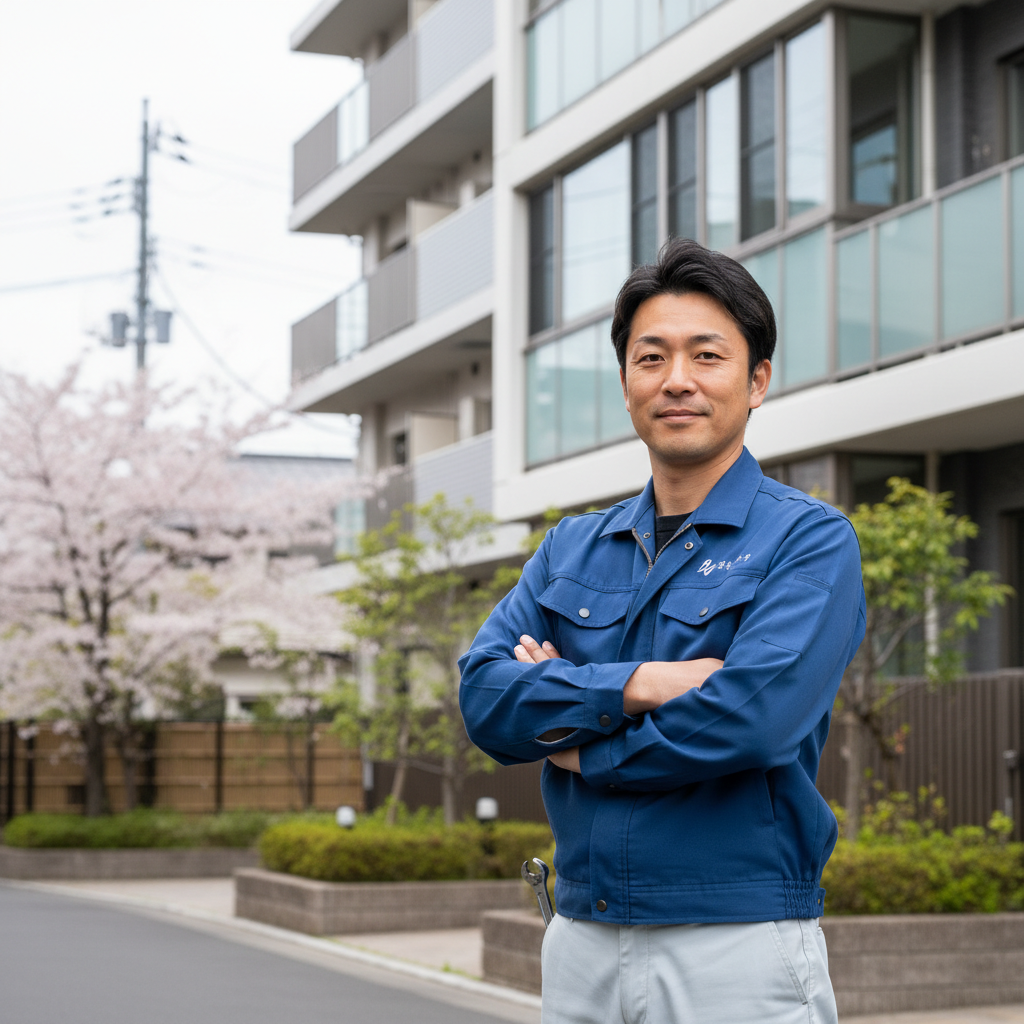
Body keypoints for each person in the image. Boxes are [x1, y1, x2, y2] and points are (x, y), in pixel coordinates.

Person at [458, 238, 866, 1024]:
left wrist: (579, 743)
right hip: (580, 936)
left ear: (756, 381)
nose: (677, 379)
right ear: (626, 384)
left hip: (736, 942)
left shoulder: (807, 540)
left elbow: (751, 719)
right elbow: (485, 698)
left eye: (706, 355)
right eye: (652, 357)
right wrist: (639, 684)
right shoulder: (571, 547)